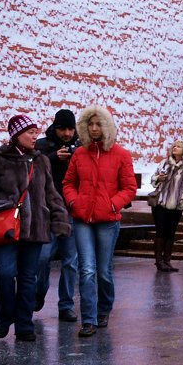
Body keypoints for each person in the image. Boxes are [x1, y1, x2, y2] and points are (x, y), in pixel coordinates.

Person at [0, 115, 71, 341]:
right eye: (30, 132)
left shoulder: (41, 160)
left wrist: (59, 219)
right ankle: (4, 317)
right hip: (5, 228)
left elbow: (51, 194)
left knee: (28, 277)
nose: (35, 136)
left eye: (36, 132)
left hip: (35, 227)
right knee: (5, 274)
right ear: (16, 134)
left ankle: (24, 325)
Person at [62, 105, 136, 337]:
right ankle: (89, 319)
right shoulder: (80, 154)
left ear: (106, 126)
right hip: (82, 219)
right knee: (87, 270)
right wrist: (74, 202)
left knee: (103, 271)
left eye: (98, 124)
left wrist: (113, 204)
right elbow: (68, 183)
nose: (94, 129)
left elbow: (129, 187)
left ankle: (104, 309)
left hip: (108, 220)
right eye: (89, 124)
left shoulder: (121, 154)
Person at [34, 108, 80, 321]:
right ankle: (39, 292)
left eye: (71, 129)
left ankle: (66, 305)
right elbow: (32, 172)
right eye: (63, 129)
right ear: (56, 127)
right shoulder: (42, 146)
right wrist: (53, 158)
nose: (67, 134)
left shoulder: (80, 147)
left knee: (70, 262)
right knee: (43, 257)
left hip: (71, 212)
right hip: (48, 212)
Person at [149, 140, 183, 272]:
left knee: (171, 232)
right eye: (174, 146)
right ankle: (158, 261)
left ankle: (167, 260)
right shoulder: (164, 163)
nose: (175, 148)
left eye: (179, 146)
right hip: (160, 203)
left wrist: (182, 200)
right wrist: (158, 178)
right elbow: (153, 178)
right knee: (161, 231)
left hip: (176, 205)